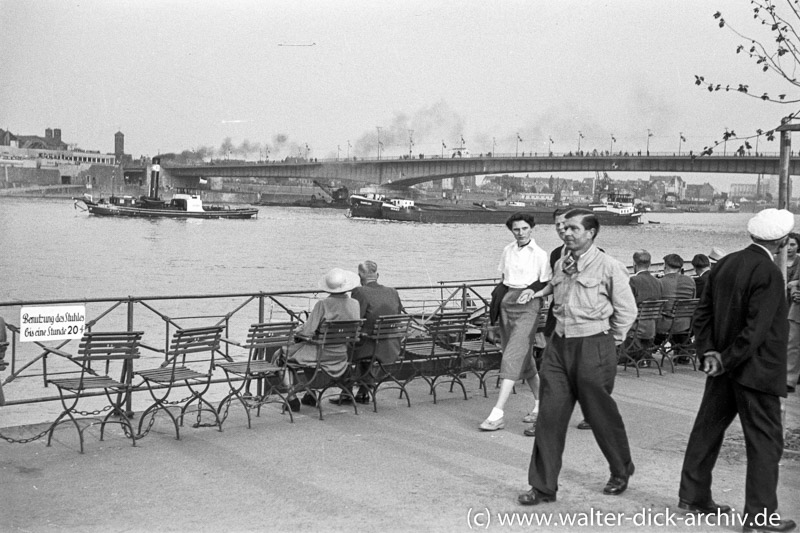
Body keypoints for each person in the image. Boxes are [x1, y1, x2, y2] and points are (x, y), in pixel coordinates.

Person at [678, 209, 795, 533]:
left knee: (707, 431)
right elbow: (756, 331)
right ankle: (759, 517)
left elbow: (703, 313)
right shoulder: (770, 273)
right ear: (782, 240)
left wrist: (709, 353)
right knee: (764, 442)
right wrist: (728, 358)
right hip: (756, 372)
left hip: (721, 370)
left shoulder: (726, 263)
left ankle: (693, 495)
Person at [518, 208, 638, 506]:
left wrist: (609, 342)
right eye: (564, 228)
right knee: (549, 416)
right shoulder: (561, 262)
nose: (566, 233)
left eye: (573, 229)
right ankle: (543, 487)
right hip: (559, 345)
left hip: (594, 345)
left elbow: (627, 311)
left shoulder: (609, 266)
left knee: (600, 415)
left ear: (591, 233)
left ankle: (621, 469)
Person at [480, 213, 552, 433]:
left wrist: (533, 291)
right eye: (516, 229)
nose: (520, 233)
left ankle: (497, 413)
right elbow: (503, 279)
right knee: (523, 357)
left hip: (529, 304)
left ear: (532, 229)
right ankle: (542, 405)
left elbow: (547, 281)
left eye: (524, 229)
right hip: (508, 303)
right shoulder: (507, 250)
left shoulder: (541, 255)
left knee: (512, 354)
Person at [280, 268, 361, 411]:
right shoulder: (355, 303)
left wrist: (298, 330)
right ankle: (310, 394)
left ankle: (292, 398)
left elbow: (307, 332)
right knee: (304, 355)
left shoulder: (322, 304)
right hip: (341, 353)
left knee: (282, 356)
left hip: (321, 353)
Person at [330, 260, 404, 405]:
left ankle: (346, 392)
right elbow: (398, 314)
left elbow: (355, 319)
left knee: (342, 347)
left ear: (360, 276)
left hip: (368, 346)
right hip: (391, 346)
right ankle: (363, 392)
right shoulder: (393, 291)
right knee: (365, 339)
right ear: (378, 275)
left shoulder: (359, 291)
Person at [624, 250, 663, 361]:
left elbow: (626, 306)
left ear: (634, 264)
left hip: (635, 328)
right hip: (651, 328)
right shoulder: (658, 282)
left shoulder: (632, 281)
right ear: (650, 264)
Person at [655, 253, 696, 346]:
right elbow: (692, 300)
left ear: (665, 266)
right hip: (685, 324)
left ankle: (649, 350)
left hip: (664, 325)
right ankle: (682, 351)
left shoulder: (660, 282)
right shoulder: (690, 281)